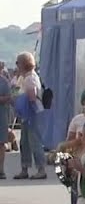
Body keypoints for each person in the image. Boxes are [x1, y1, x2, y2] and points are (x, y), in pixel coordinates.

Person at [12, 52, 47, 180]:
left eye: (17, 62)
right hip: (29, 114)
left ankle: (40, 168)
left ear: (23, 64)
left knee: (34, 141)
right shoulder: (26, 77)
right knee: (25, 142)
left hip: (32, 113)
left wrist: (21, 101)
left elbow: (32, 97)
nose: (16, 65)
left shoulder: (30, 78)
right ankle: (25, 168)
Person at [0, 65, 12, 179]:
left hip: (1, 116)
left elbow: (9, 97)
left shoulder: (4, 82)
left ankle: (1, 170)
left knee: (1, 143)